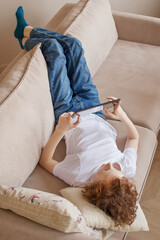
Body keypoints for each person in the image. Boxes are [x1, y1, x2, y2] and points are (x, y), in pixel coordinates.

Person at [14, 6, 139, 227]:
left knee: (54, 49)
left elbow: (46, 161)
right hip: (93, 106)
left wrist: (60, 130)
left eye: (104, 169)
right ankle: (27, 31)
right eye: (114, 168)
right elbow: (134, 138)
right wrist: (121, 116)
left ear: (94, 187)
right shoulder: (126, 169)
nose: (109, 163)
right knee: (74, 45)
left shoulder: (79, 177)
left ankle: (26, 39)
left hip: (68, 112)